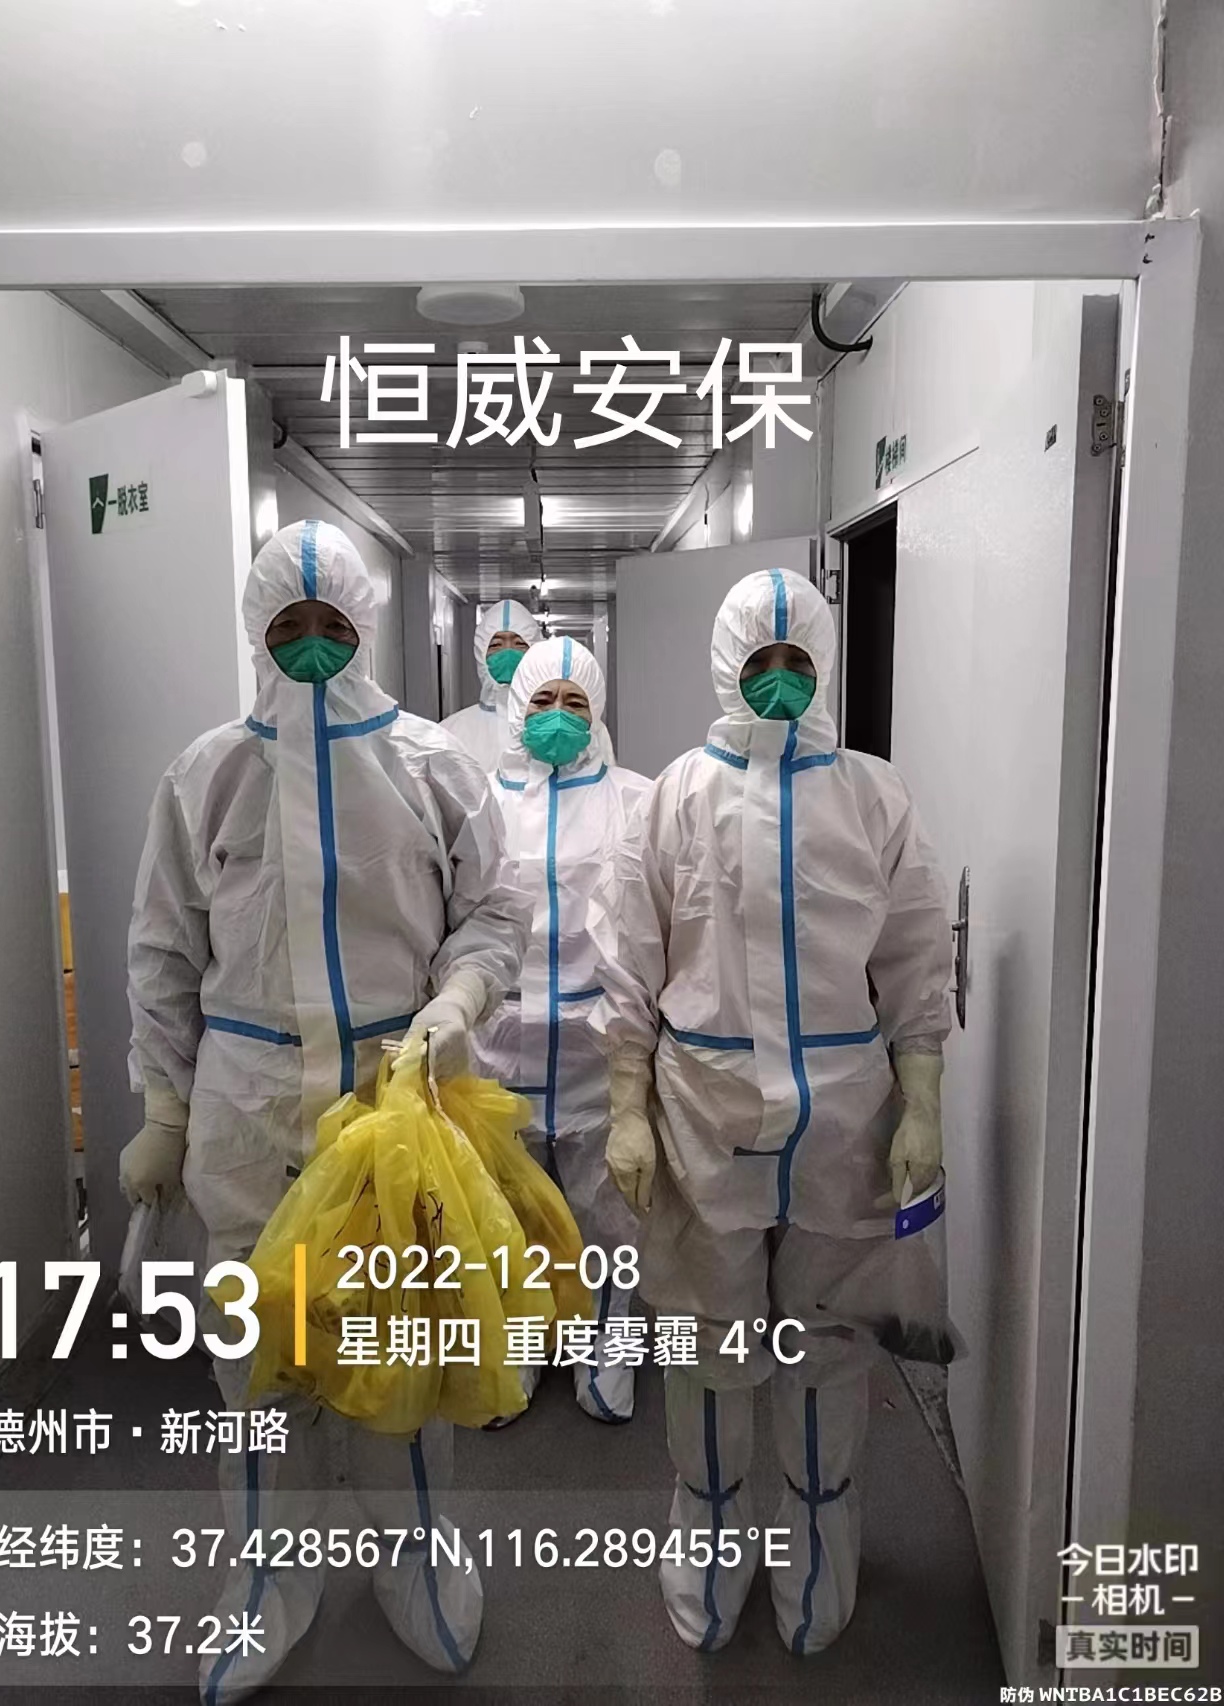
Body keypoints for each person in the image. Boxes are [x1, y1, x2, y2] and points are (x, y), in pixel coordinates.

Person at [118, 519, 529, 1703]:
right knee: (257, 1368)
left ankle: (416, 1561)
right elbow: (162, 952)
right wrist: (161, 1106)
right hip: (247, 1115)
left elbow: (494, 910)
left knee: (398, 1350)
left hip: (391, 1106)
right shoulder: (206, 773)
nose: (309, 646)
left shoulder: (432, 765)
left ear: (365, 626)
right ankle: (266, 1582)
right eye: (288, 626)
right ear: (258, 630)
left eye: (331, 625)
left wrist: (458, 996)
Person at [592, 567, 952, 1657]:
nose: (781, 680)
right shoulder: (672, 797)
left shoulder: (873, 797)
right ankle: (708, 1537)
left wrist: (922, 1103)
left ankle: (816, 1537)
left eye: (799, 661)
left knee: (828, 1344)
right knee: (707, 1343)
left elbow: (914, 958)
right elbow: (629, 963)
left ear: (824, 666)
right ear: (727, 665)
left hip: (843, 1123)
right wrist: (625, 1107)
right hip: (704, 1117)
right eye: (762, 660)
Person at [471, 636, 650, 1423]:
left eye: (575, 704)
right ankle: (521, 1339)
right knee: (508, 1205)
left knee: (606, 1207)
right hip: (500, 1039)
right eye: (543, 701)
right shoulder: (480, 800)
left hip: (593, 1041)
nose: (558, 717)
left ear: (598, 711)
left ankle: (608, 1342)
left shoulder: (636, 799)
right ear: (518, 706)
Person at [441, 597, 540, 771]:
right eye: (496, 645)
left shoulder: (553, 729)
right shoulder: (451, 732)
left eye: (519, 644)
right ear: (480, 653)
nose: (508, 652)